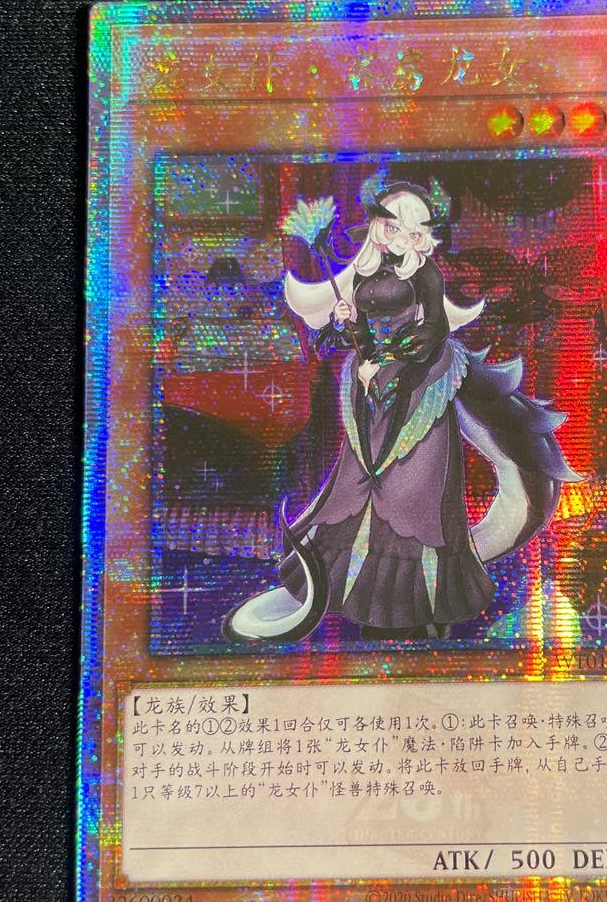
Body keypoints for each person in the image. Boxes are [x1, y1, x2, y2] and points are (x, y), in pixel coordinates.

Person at [223, 179, 580, 643]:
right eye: (390, 227)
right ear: (377, 226)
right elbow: (354, 332)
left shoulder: (426, 275)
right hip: (368, 387)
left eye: (408, 230)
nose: (396, 237)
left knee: (410, 494)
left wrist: (389, 358)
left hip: (417, 382)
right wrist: (347, 327)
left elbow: (433, 330)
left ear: (421, 235)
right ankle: (347, 592)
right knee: (356, 489)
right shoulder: (366, 273)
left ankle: (419, 602)